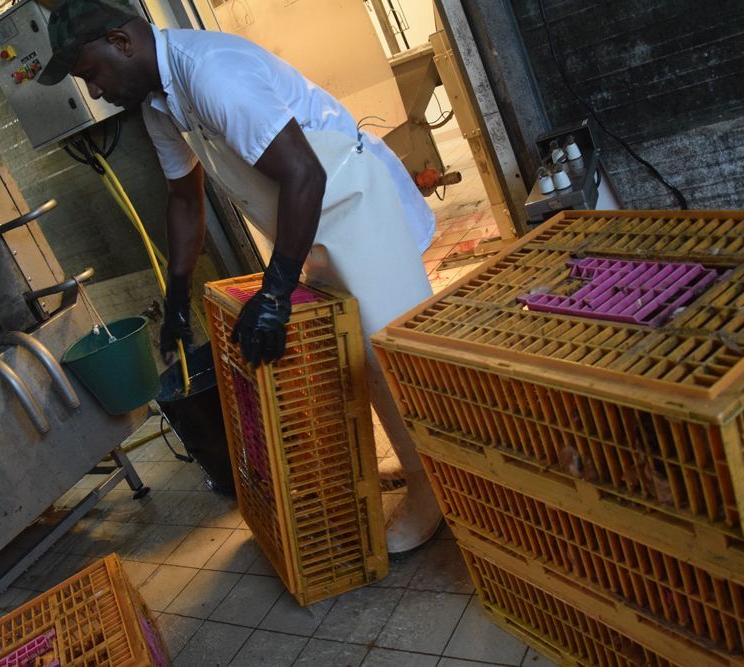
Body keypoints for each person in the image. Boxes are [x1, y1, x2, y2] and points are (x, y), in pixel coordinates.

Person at [39, 0, 442, 552]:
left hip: (355, 204)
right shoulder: (160, 105)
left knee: (390, 353)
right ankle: (419, 458)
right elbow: (185, 198)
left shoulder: (210, 73)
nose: (95, 93)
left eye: (92, 74)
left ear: (122, 41)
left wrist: (275, 292)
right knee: (352, 350)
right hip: (314, 222)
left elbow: (304, 171)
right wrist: (176, 295)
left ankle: (436, 490)